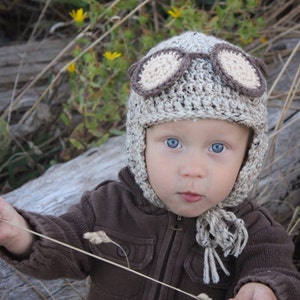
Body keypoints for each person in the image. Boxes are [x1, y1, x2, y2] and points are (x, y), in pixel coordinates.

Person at [0, 31, 299, 300]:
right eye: (172, 143)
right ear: (139, 143)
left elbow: (277, 269)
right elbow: (64, 244)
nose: (192, 169)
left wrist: (265, 289)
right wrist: (19, 233)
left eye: (217, 148)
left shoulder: (252, 230)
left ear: (248, 155)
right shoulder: (109, 207)